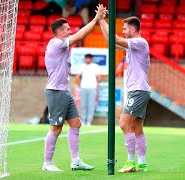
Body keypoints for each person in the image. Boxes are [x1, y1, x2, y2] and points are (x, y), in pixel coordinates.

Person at [42, 5, 103, 171]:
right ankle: (47, 164)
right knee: (56, 127)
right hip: (56, 91)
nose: (70, 31)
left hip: (64, 91)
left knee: (76, 123)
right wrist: (96, 19)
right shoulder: (56, 43)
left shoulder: (62, 47)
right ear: (60, 32)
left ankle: (75, 161)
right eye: (68, 29)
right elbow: (81, 34)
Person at [97, 6, 151, 173]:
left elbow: (116, 39)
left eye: (125, 28)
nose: (123, 31)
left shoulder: (140, 42)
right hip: (140, 89)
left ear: (133, 29)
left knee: (123, 123)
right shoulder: (132, 46)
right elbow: (111, 43)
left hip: (138, 90)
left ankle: (130, 162)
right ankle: (141, 163)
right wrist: (100, 22)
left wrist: (102, 20)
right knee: (137, 128)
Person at [76, 53, 101, 126]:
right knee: (83, 105)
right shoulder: (82, 66)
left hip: (92, 87)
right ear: (85, 59)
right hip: (83, 87)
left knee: (91, 105)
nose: (88, 59)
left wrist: (95, 83)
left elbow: (99, 77)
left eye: (89, 58)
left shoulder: (95, 66)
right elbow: (77, 76)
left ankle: (89, 121)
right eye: (86, 58)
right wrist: (81, 84)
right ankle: (83, 121)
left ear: (91, 59)